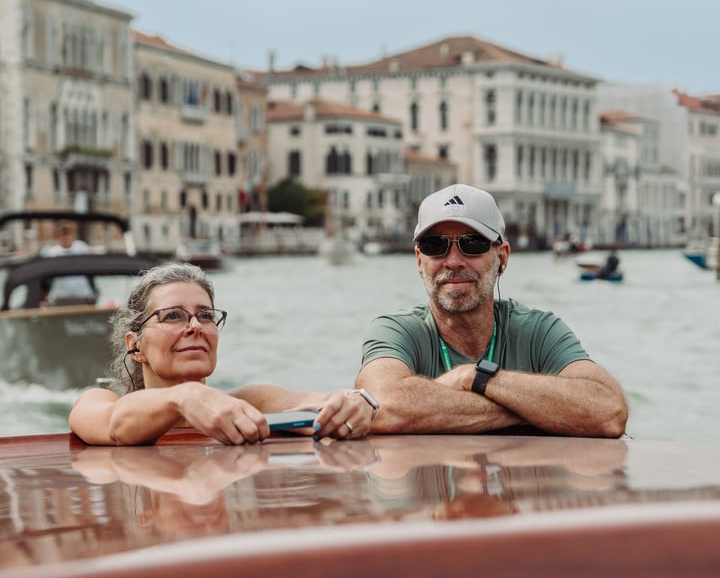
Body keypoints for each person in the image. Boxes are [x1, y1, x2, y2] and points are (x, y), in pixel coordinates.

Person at [356, 184, 628, 438]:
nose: (452, 261)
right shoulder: (396, 331)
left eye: (472, 244)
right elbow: (382, 403)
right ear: (419, 261)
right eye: (435, 246)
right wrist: (535, 411)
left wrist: (475, 377)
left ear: (502, 258)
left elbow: (608, 411)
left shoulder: (539, 331)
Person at [69, 262, 379, 445]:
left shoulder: (249, 402)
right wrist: (186, 397)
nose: (195, 327)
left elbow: (324, 403)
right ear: (134, 346)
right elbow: (114, 425)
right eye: (174, 316)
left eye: (205, 316)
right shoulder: (100, 401)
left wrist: (355, 405)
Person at [40, 220, 97, 303]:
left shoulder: (82, 247)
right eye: (63, 235)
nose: (65, 237)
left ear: (72, 235)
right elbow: (46, 277)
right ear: (59, 236)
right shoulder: (53, 252)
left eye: (67, 234)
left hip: (82, 295)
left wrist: (95, 290)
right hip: (59, 296)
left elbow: (92, 270)